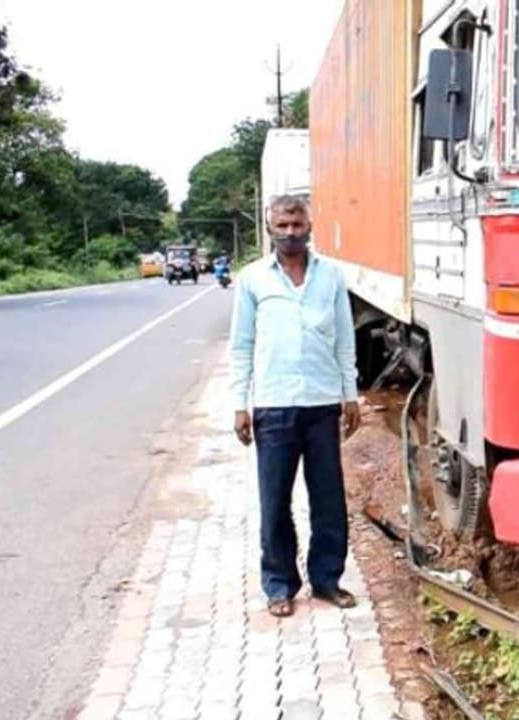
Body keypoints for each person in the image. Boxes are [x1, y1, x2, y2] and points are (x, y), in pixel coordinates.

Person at [229, 195, 361, 617]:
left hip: (322, 403)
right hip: (273, 404)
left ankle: (326, 581)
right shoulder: (252, 280)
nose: (290, 232)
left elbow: (345, 339)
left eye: (297, 224)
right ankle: (279, 584)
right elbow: (242, 346)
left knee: (328, 498)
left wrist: (350, 393)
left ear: (309, 227)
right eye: (282, 225)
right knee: (275, 500)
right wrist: (240, 404)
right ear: (270, 229)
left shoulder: (331, 277)